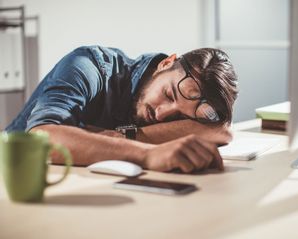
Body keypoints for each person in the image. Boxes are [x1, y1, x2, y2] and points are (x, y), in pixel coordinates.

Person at [6, 46, 238, 173]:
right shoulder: (89, 66)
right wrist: (147, 154)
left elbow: (221, 129)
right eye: (168, 94)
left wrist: (127, 135)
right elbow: (42, 139)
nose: (162, 115)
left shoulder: (168, 98)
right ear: (166, 63)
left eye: (179, 117)